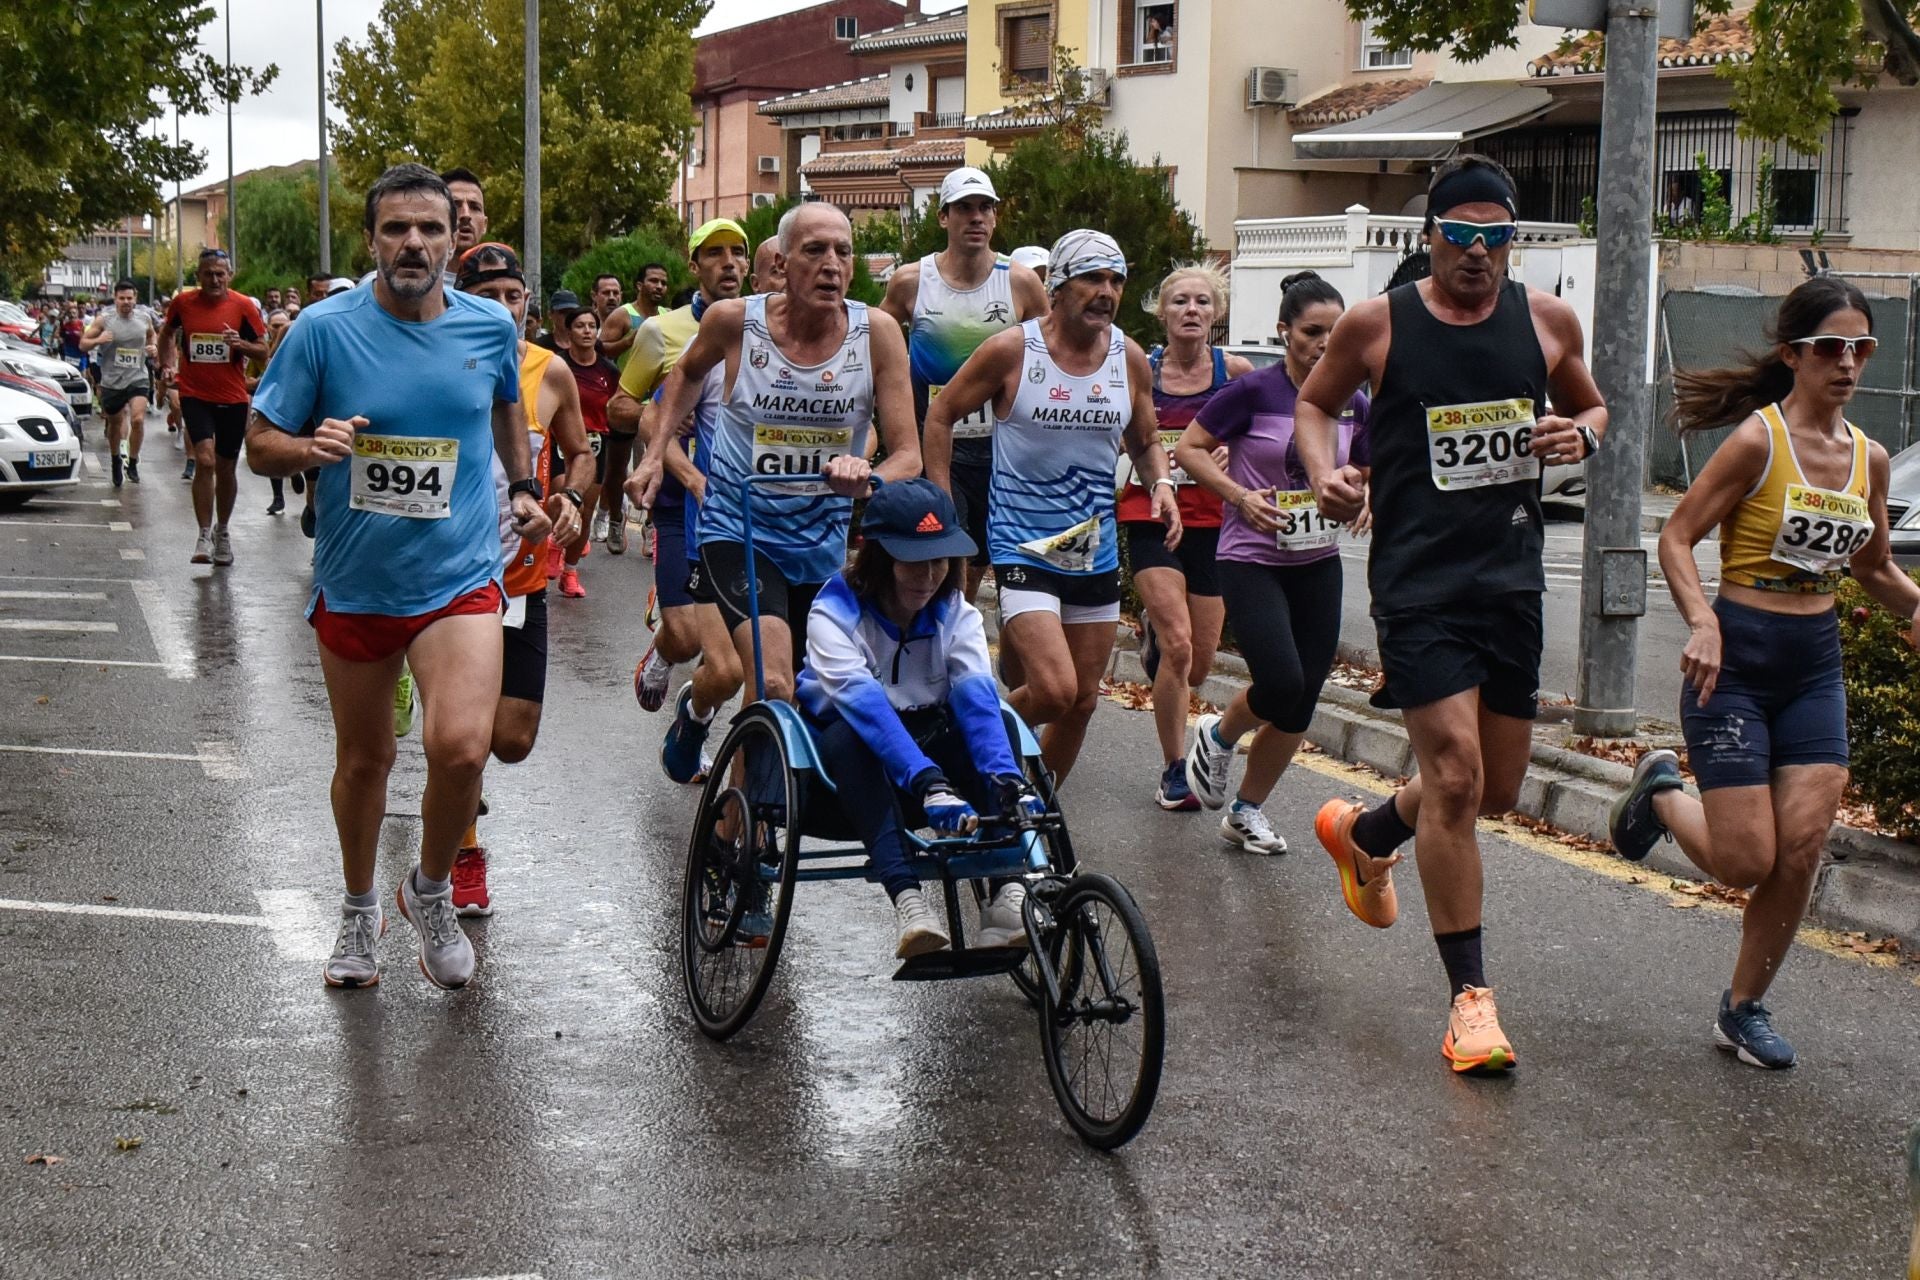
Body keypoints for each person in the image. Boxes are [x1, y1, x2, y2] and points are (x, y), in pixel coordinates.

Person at [1295, 155, 1607, 1075]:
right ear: (1429, 236)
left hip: (1509, 578)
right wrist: (1324, 471)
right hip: (1419, 580)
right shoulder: (1376, 324)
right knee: (1459, 776)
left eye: (1496, 237)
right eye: (1460, 236)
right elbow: (1317, 407)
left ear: (1514, 241)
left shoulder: (1547, 321)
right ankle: (1470, 1002)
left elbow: (1594, 404)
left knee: (1494, 792)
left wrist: (1579, 432)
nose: (1477, 254)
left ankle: (1367, 834)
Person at [245, 163, 559, 989]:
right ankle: (357, 912)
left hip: (459, 575)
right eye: (396, 229)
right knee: (365, 761)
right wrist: (308, 449)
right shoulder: (320, 329)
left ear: (454, 239)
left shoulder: (489, 329)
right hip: (357, 580)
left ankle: (430, 891)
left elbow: (502, 409)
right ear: (372, 240)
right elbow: (259, 442)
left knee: (461, 747)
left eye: (429, 229)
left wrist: (523, 487)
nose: (413, 243)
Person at [1610, 277, 1920, 1070]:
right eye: (1830, 349)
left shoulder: (1871, 461)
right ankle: (1662, 792)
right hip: (1737, 662)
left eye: (1862, 348)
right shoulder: (1758, 441)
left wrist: (1915, 608)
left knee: (1804, 844)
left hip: (1814, 665)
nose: (1847, 363)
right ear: (1793, 355)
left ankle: (1743, 1010)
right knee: (1746, 858)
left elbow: (1876, 568)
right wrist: (1704, 623)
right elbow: (1677, 538)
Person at [633, 203, 921, 719]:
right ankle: (718, 767)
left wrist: (868, 478)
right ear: (783, 265)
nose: (832, 264)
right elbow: (686, 375)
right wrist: (656, 456)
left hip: (820, 545)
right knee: (772, 680)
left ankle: (748, 778)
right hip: (738, 531)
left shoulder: (876, 334)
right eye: (815, 250)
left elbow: (908, 455)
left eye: (843, 251)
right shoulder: (734, 322)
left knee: (814, 696)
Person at [925, 230, 1180, 783]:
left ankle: (1035, 815)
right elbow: (941, 413)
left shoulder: (1129, 357)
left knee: (1083, 701)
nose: (1106, 292)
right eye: (1092, 279)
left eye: (1115, 281)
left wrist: (1161, 483)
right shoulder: (1013, 349)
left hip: (1093, 548)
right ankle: (962, 738)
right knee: (1053, 689)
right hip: (1023, 543)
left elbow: (1145, 439)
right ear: (1058, 287)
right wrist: (943, 495)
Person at [797, 479, 1044, 957]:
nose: (929, 576)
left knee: (1004, 725)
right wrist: (929, 782)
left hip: (929, 738)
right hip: (843, 764)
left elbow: (975, 697)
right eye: (913, 560)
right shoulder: (833, 608)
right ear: (879, 557)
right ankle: (909, 900)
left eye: (940, 560)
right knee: (851, 738)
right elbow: (866, 708)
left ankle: (1006, 888)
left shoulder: (955, 611)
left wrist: (1007, 780)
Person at [1178, 271, 1369, 854]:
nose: (1323, 344)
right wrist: (1238, 496)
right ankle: (1219, 732)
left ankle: (1247, 811)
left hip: (1318, 559)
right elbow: (1188, 448)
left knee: (1304, 698)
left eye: (1335, 334)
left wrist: (1367, 496)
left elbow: (1369, 465)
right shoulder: (1253, 391)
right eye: (1312, 331)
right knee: (1281, 681)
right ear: (1285, 331)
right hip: (1250, 556)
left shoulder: (1353, 400)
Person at [448, 242, 593, 916]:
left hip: (523, 576)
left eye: (515, 297)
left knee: (512, 739)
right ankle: (463, 852)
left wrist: (570, 500)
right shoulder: (439, 359)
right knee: (469, 735)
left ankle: (458, 777)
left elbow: (580, 453)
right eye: (490, 297)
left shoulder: (551, 370)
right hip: (449, 576)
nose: (505, 310)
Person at [608, 219, 750, 777]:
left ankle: (707, 721)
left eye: (737, 252)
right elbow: (622, 406)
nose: (728, 263)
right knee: (690, 636)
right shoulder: (662, 332)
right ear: (694, 266)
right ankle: (665, 650)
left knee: (737, 665)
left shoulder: (757, 329)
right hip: (676, 495)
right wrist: (664, 421)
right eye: (713, 254)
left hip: (737, 507)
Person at [878, 166, 1048, 603]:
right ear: (943, 218)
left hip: (999, 446)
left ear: (994, 218)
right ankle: (930, 634)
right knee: (938, 545)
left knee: (975, 561)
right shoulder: (912, 281)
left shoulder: (1021, 282)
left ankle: (957, 625)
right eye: (964, 208)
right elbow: (875, 348)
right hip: (933, 439)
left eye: (984, 208)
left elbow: (1052, 355)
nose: (976, 217)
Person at [1119, 265, 1252, 809]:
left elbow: (1266, 438)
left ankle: (1156, 641)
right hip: (1150, 516)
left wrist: (1232, 456)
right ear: (1162, 313)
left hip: (1216, 524)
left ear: (1216, 314)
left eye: (1201, 302)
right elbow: (1115, 434)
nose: (1191, 310)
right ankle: (1175, 769)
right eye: (1179, 302)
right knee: (1178, 647)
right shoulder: (1140, 371)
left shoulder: (1236, 373)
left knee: (1197, 662)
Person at [158, 248, 270, 566]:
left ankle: (223, 532)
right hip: (195, 394)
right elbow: (167, 334)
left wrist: (241, 344)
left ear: (229, 276)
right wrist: (166, 365)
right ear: (198, 276)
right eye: (208, 273)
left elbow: (263, 351)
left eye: (220, 273)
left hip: (232, 398)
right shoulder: (183, 304)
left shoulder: (243, 306)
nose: (214, 279)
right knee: (204, 461)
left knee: (226, 467)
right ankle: (203, 534)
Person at [550, 290, 617, 599]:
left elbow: (616, 407)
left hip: (596, 444)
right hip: (559, 442)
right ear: (569, 330)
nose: (587, 331)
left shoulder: (608, 371)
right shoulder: (556, 366)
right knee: (563, 498)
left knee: (586, 511)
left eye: (592, 326)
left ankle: (570, 571)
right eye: (581, 326)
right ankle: (552, 544)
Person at [79, 280, 158, 488]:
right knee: (115, 423)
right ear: (115, 299)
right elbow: (83, 344)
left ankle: (132, 462)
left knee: (138, 419)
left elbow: (152, 336)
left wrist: (153, 347)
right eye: (122, 298)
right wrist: (98, 340)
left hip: (138, 377)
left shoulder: (144, 317)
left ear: (135, 298)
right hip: (112, 380)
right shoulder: (104, 320)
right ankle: (116, 459)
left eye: (129, 298)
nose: (126, 302)